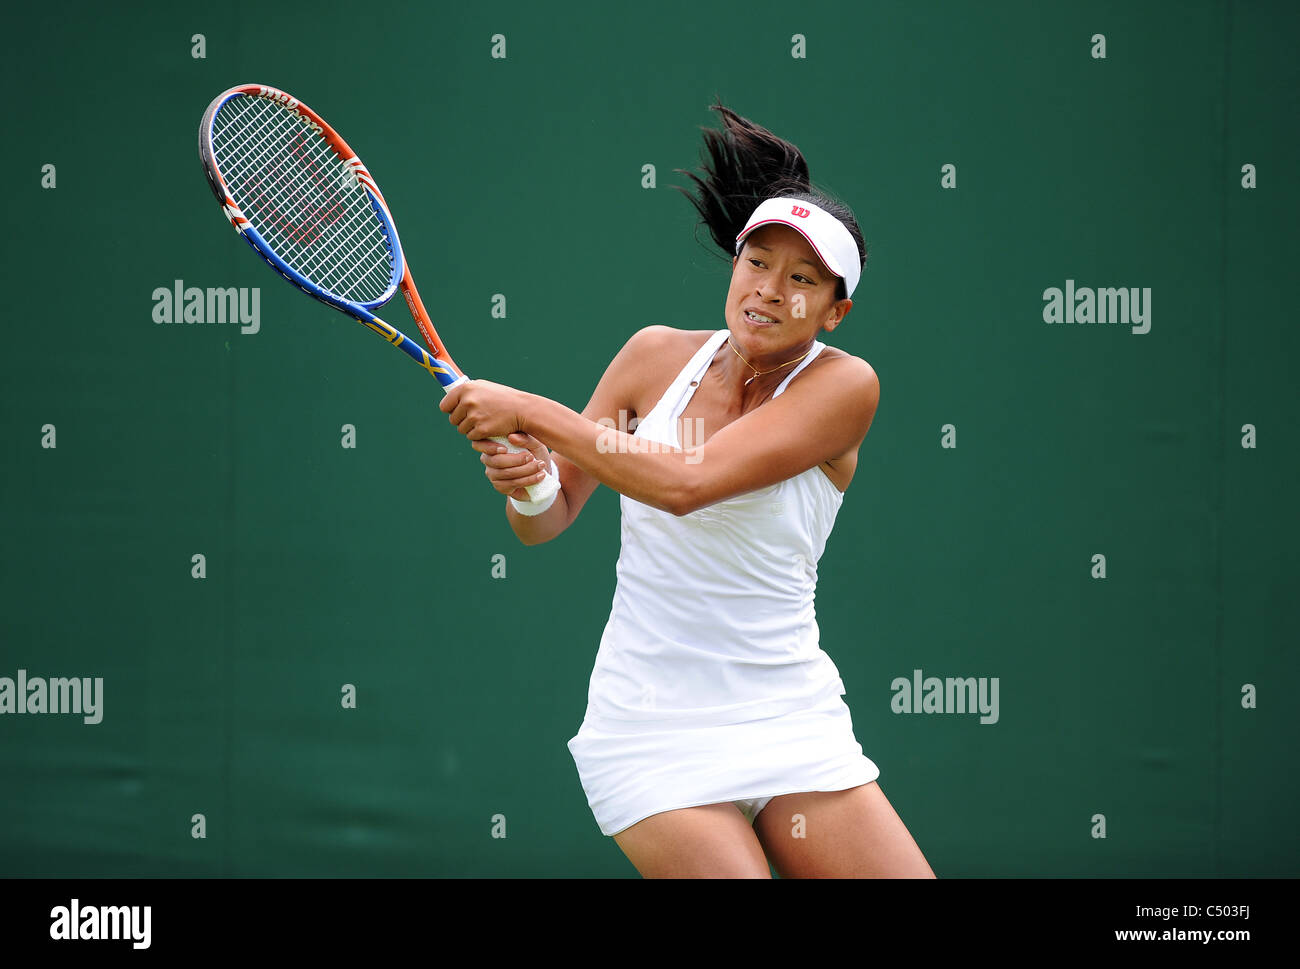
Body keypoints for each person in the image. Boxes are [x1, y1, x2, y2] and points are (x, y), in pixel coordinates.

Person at [439, 103, 935, 878]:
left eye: (803, 279)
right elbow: (546, 517)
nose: (770, 290)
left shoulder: (844, 387)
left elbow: (685, 483)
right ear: (734, 263)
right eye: (757, 262)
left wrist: (533, 412)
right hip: (649, 725)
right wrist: (530, 481)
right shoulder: (650, 357)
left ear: (835, 311)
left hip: (788, 720)